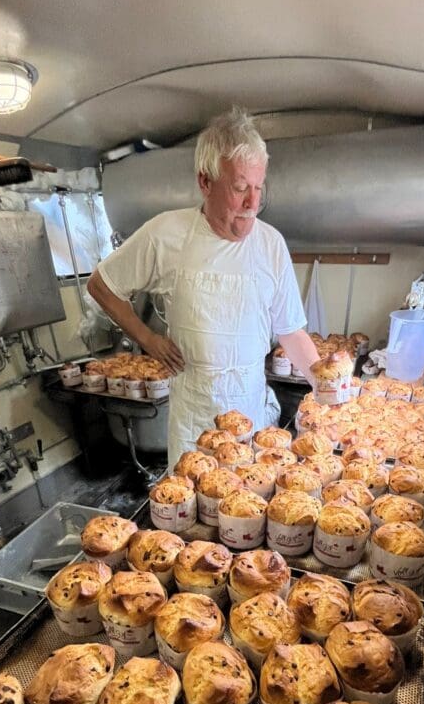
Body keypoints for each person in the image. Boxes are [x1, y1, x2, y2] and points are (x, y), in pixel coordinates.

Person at [87, 106, 320, 468]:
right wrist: (148, 339)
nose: (253, 203)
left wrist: (326, 386)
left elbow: (291, 331)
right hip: (195, 422)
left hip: (252, 420)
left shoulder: (271, 244)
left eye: (258, 187)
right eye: (240, 188)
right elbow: (102, 285)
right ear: (205, 182)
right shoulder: (166, 234)